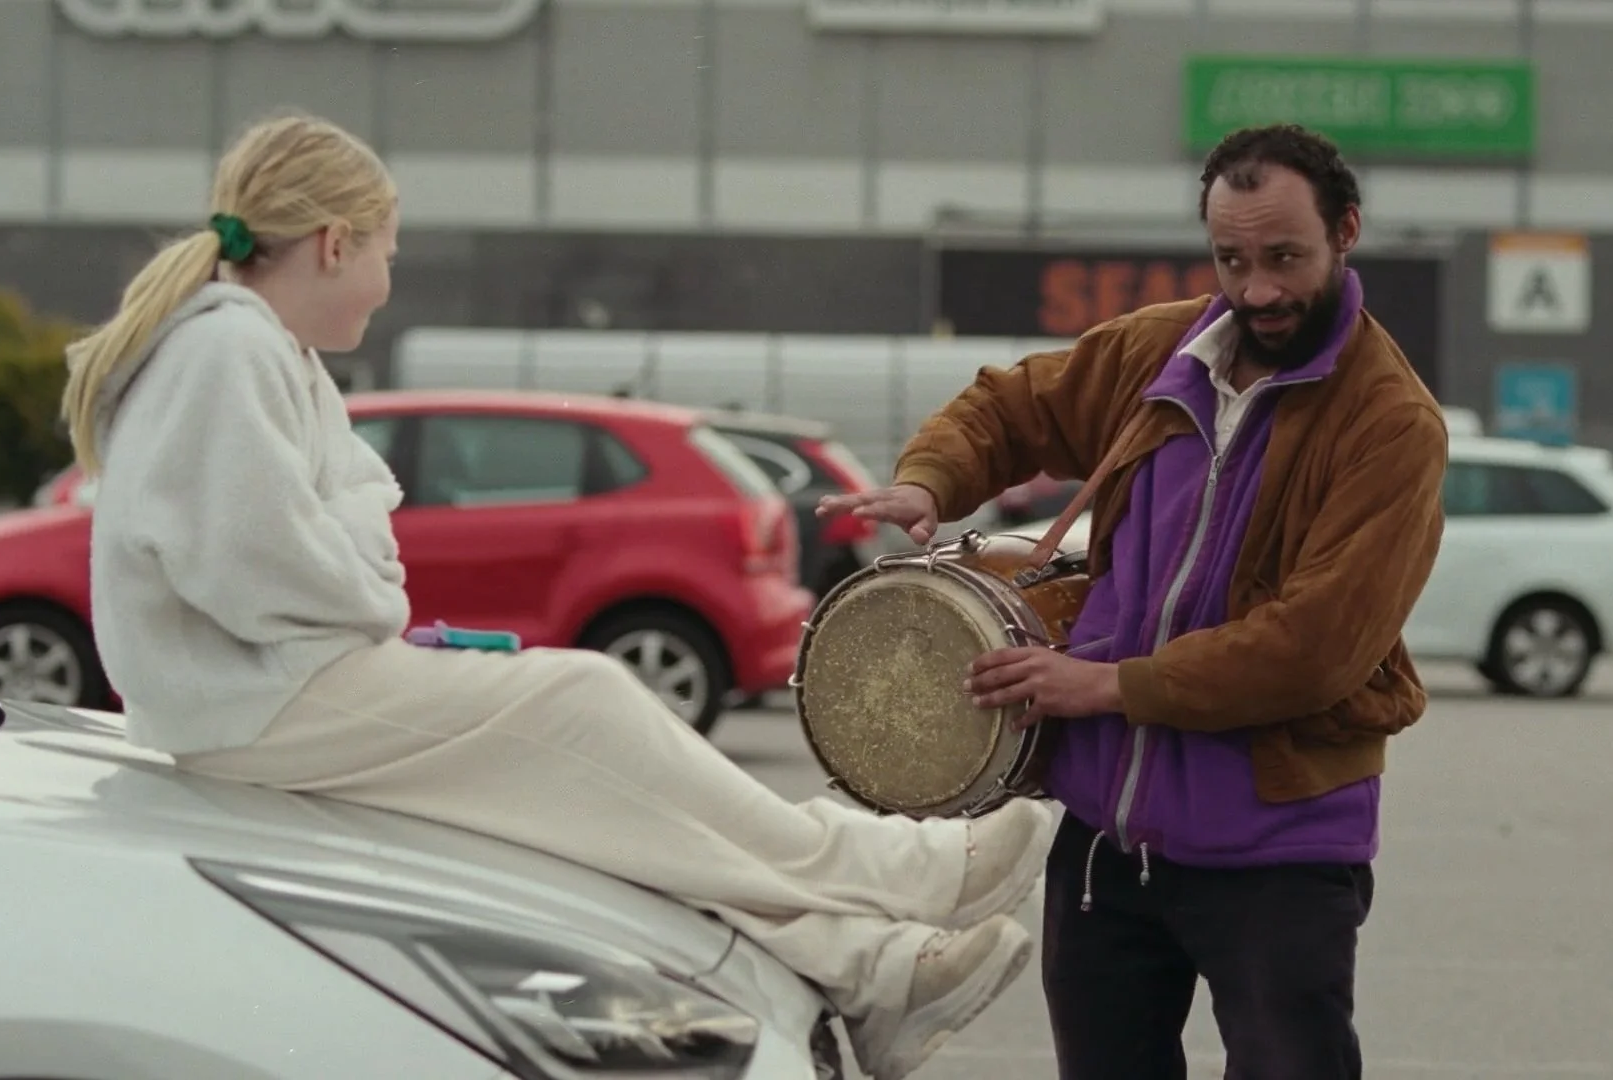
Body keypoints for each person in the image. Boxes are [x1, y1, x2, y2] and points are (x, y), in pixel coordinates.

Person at [61, 111, 1056, 1080]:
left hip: (260, 696)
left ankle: (870, 965)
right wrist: (366, 570)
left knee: (588, 797)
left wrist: (357, 560)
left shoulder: (249, 348)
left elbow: (296, 543)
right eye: (386, 254)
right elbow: (264, 563)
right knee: (586, 705)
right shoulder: (229, 350)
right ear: (333, 244)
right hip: (262, 702)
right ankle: (898, 877)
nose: (386, 282)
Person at [819, 123, 1449, 1079]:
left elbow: (1316, 646)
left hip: (1280, 851)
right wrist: (930, 481)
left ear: (1346, 232)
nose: (1257, 291)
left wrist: (1106, 686)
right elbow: (1012, 406)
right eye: (1231, 259)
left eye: (1284, 258)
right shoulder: (1162, 351)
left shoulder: (1391, 423)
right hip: (1108, 845)